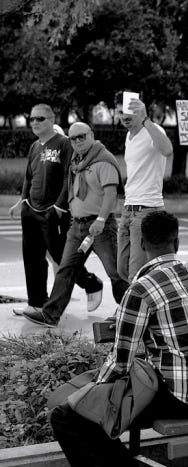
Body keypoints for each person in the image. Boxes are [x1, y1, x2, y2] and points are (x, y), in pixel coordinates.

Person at [51, 210, 188, 467]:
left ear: (141, 244)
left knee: (67, 416)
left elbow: (120, 362)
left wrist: (95, 389)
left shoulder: (141, 289)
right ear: (177, 242)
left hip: (171, 397)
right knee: (91, 410)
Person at [22, 123, 129, 327]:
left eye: (82, 136)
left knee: (116, 273)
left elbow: (110, 193)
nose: (77, 141)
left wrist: (101, 219)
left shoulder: (103, 159)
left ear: (92, 135)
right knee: (66, 269)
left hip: (100, 228)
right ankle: (50, 315)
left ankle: (130, 312)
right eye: (73, 138)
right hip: (77, 227)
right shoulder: (76, 160)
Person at [8, 104, 102, 317]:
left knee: (63, 258)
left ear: (51, 120)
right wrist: (22, 200)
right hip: (31, 210)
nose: (34, 122)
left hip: (53, 212)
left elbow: (69, 177)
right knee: (32, 258)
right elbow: (29, 176)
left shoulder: (63, 144)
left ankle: (91, 283)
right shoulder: (34, 146)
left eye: (39, 119)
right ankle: (36, 303)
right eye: (31, 119)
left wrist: (60, 206)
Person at [116, 94, 173, 283]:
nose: (125, 116)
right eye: (120, 111)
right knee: (122, 270)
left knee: (137, 276)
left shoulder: (153, 130)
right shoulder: (128, 136)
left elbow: (167, 150)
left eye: (129, 111)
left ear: (140, 110)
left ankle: (135, 312)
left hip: (147, 209)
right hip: (128, 209)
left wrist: (146, 119)